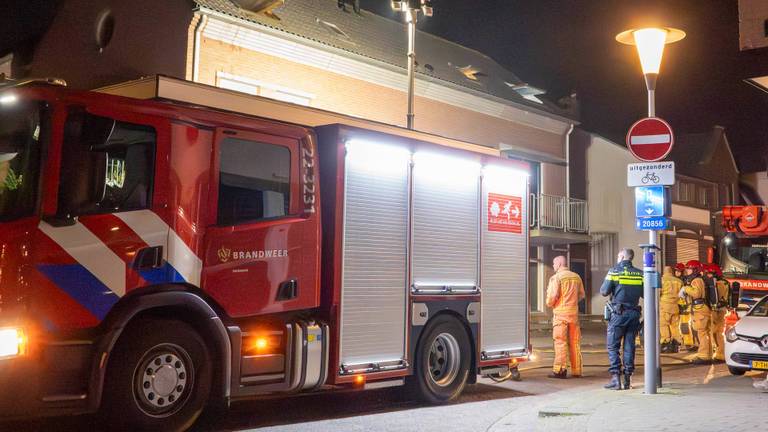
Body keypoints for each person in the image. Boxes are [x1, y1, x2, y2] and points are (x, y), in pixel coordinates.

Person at [600, 248, 643, 390]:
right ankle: (627, 380)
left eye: (619, 256)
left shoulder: (614, 271)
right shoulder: (640, 274)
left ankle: (615, 379)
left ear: (623, 256)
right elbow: (645, 294)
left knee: (613, 346)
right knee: (630, 346)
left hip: (618, 315)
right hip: (634, 314)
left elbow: (604, 291)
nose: (617, 258)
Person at [545, 255, 585, 379]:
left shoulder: (556, 278)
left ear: (560, 263)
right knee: (575, 342)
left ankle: (560, 370)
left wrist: (550, 304)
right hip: (573, 315)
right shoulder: (576, 277)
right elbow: (581, 295)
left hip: (560, 315)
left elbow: (552, 298)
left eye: (554, 263)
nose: (553, 266)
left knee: (560, 342)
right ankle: (577, 371)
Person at [679, 260, 711, 364]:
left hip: (699, 308)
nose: (687, 271)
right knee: (704, 332)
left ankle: (703, 356)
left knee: (702, 333)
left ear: (695, 270)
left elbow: (696, 294)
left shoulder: (696, 280)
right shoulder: (699, 279)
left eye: (689, 268)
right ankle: (707, 354)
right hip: (701, 308)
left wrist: (685, 289)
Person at [708, 264, 729, 362]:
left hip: (717, 310)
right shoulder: (726, 282)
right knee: (719, 332)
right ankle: (720, 353)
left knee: (715, 332)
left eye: (710, 273)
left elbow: (715, 298)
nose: (708, 276)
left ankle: (719, 353)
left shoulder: (718, 284)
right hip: (723, 309)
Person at [660, 266, 682, 353]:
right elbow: (682, 294)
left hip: (664, 306)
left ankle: (666, 343)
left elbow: (658, 292)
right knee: (675, 326)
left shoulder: (662, 279)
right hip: (675, 306)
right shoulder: (679, 281)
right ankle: (676, 344)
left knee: (663, 324)